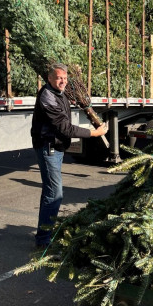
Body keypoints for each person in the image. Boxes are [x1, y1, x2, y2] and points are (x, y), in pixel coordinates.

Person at [31, 63, 108, 247]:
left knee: (49, 192)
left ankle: (43, 233)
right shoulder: (47, 97)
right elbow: (64, 128)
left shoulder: (60, 93)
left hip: (56, 148)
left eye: (65, 78)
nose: (63, 81)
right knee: (54, 193)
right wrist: (93, 133)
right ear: (49, 78)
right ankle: (43, 240)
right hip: (48, 147)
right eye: (59, 78)